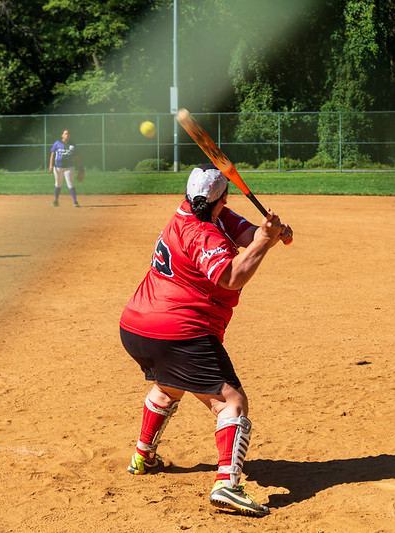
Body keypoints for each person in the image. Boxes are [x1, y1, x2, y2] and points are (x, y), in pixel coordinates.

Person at [119, 164, 293, 517]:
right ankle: (227, 485)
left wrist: (269, 234)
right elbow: (230, 276)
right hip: (178, 330)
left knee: (169, 385)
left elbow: (245, 234)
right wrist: (264, 241)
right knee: (231, 402)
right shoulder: (203, 233)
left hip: (137, 325)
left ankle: (143, 455)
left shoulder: (193, 212)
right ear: (222, 197)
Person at [48, 129, 82, 207]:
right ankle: (56, 201)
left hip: (69, 167)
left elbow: (77, 156)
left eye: (68, 134)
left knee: (70, 183)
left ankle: (75, 201)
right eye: (65, 133)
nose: (67, 135)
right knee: (58, 183)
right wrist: (50, 165)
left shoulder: (72, 144)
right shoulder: (57, 143)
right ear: (62, 135)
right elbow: (52, 154)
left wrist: (80, 166)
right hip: (58, 167)